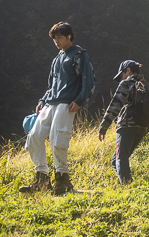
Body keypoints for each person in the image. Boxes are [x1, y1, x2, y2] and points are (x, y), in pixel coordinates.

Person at [20, 22, 95, 195]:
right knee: (34, 137)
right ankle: (41, 179)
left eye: (59, 37)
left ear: (69, 36)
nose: (56, 41)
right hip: (50, 102)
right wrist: (42, 100)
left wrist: (80, 100)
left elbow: (88, 79)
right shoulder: (57, 59)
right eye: (54, 38)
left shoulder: (79, 54)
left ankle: (62, 180)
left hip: (67, 103)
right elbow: (51, 85)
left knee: (57, 139)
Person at [98, 60, 149, 184]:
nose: (121, 78)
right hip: (142, 127)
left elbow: (115, 105)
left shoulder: (127, 83)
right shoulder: (146, 85)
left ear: (128, 70)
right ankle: (128, 184)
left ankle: (127, 187)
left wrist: (103, 127)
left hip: (127, 126)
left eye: (121, 74)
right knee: (115, 160)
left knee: (120, 158)